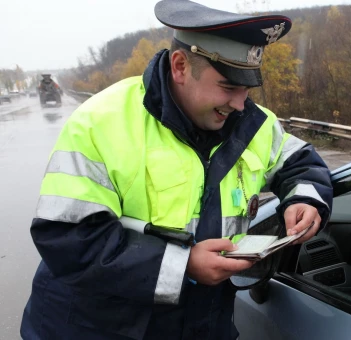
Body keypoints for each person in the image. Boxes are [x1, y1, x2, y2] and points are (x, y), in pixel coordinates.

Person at [20, 1, 333, 339]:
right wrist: (184, 267)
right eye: (228, 87)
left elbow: (301, 162)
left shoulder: (253, 125)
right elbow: (69, 238)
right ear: (181, 66)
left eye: (247, 88)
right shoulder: (100, 123)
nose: (241, 104)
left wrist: (305, 199)